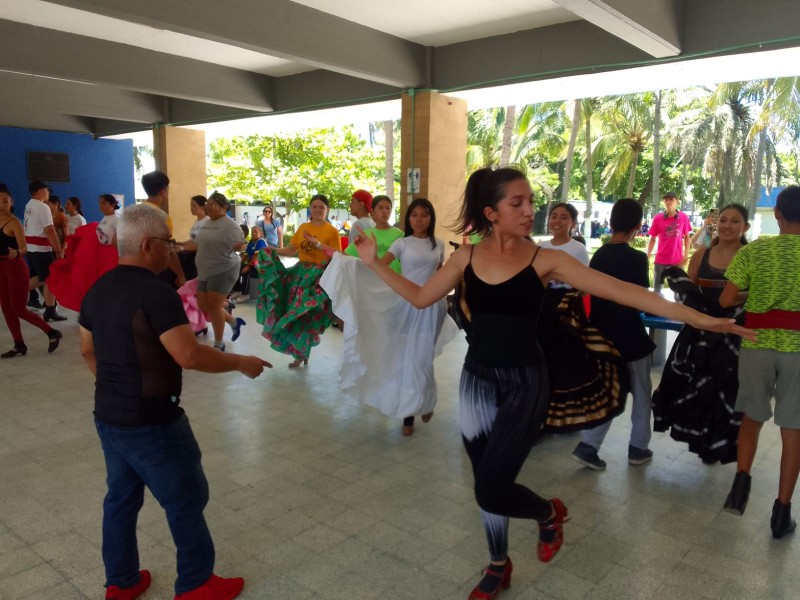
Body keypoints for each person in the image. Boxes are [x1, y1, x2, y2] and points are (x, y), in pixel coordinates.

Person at [352, 167, 754, 600]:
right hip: (476, 382)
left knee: (491, 485)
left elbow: (623, 292)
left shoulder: (546, 259)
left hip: (527, 382)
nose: (531, 211)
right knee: (487, 482)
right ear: (491, 212)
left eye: (530, 201)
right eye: (518, 203)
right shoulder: (464, 257)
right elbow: (419, 296)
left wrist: (698, 318)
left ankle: (547, 512)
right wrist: (373, 262)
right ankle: (498, 565)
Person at [78, 203, 270, 600]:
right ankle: (196, 584)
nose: (173, 249)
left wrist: (118, 388)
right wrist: (240, 362)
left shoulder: (98, 289)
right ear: (147, 245)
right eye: (168, 242)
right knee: (185, 499)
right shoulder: (156, 292)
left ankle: (121, 581)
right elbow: (189, 355)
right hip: (154, 421)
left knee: (120, 500)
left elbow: (86, 351)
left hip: (110, 418)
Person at [320, 198, 457, 436]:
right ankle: (408, 415)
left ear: (431, 218)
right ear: (408, 218)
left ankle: (425, 401)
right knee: (406, 357)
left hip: (432, 307)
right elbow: (377, 267)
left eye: (424, 215)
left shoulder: (439, 244)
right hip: (404, 304)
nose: (419, 220)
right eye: (414, 215)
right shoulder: (401, 244)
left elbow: (439, 273)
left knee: (422, 359)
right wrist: (347, 262)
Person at [721, 185, 800, 539]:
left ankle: (741, 482)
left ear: (778, 216)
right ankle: (781, 512)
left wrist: (758, 294)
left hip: (756, 343)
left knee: (752, 416)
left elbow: (726, 300)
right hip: (798, 350)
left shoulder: (758, 251)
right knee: (793, 428)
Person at [652, 204, 750, 465]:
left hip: (733, 338)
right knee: (694, 386)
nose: (727, 225)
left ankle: (719, 444)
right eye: (724, 220)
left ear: (745, 227)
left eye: (735, 221)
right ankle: (702, 440)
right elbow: (688, 292)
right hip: (699, 334)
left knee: (727, 391)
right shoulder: (702, 255)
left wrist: (735, 301)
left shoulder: (751, 256)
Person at [571, 199, 656, 470]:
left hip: (602, 335)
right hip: (631, 337)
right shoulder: (637, 258)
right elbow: (639, 298)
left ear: (611, 223)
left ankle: (588, 445)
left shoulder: (600, 255)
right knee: (641, 392)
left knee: (607, 391)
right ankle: (638, 448)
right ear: (637, 226)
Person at [256, 194, 341, 368]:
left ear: (327, 210)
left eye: (321, 207)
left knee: (306, 314)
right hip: (300, 274)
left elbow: (336, 255)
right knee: (294, 313)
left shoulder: (331, 231)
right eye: (314, 206)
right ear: (310, 208)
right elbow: (292, 250)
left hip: (317, 277)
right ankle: (301, 352)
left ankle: (303, 351)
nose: (317, 210)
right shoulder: (303, 227)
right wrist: (272, 250)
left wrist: (318, 245)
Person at [0, 183, 62, 358]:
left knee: (19, 309)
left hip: (15, 267)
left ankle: (51, 332)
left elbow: (24, 248)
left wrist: (18, 252)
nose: (2, 205)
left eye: (5, 201)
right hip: (2, 269)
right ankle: (19, 344)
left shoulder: (14, 222)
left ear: (11, 202)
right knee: (6, 307)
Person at [181, 192, 246, 352]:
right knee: (203, 305)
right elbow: (197, 242)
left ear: (224, 208)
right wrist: (180, 246)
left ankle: (218, 343)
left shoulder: (230, 225)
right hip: (205, 270)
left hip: (223, 269)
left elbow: (242, 244)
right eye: (207, 204)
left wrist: (239, 246)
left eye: (212, 205)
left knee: (214, 306)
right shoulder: (207, 223)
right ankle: (233, 322)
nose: (208, 207)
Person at [24, 180, 66, 322]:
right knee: (51, 279)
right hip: (41, 249)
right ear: (40, 190)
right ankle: (50, 310)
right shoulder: (42, 207)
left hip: (31, 249)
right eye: (47, 190)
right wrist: (59, 250)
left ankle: (16, 294)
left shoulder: (29, 205)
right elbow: (49, 230)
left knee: (41, 278)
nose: (48, 193)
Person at [141, 170, 186, 288]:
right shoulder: (161, 217)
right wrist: (181, 275)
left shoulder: (133, 212)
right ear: (163, 192)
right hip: (155, 271)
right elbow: (168, 251)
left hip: (135, 270)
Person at [343, 195, 403, 272]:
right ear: (372, 211)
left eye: (388, 208)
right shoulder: (365, 234)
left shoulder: (400, 234)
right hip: (371, 280)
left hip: (394, 280)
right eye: (380, 208)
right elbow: (347, 254)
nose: (384, 211)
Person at [647, 191, 692, 292]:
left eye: (671, 199)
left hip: (677, 261)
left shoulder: (683, 217)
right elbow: (653, 239)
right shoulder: (658, 218)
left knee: (680, 291)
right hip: (661, 260)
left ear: (677, 201)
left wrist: (685, 256)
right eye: (666, 200)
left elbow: (687, 237)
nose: (668, 202)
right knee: (657, 291)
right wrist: (648, 255)